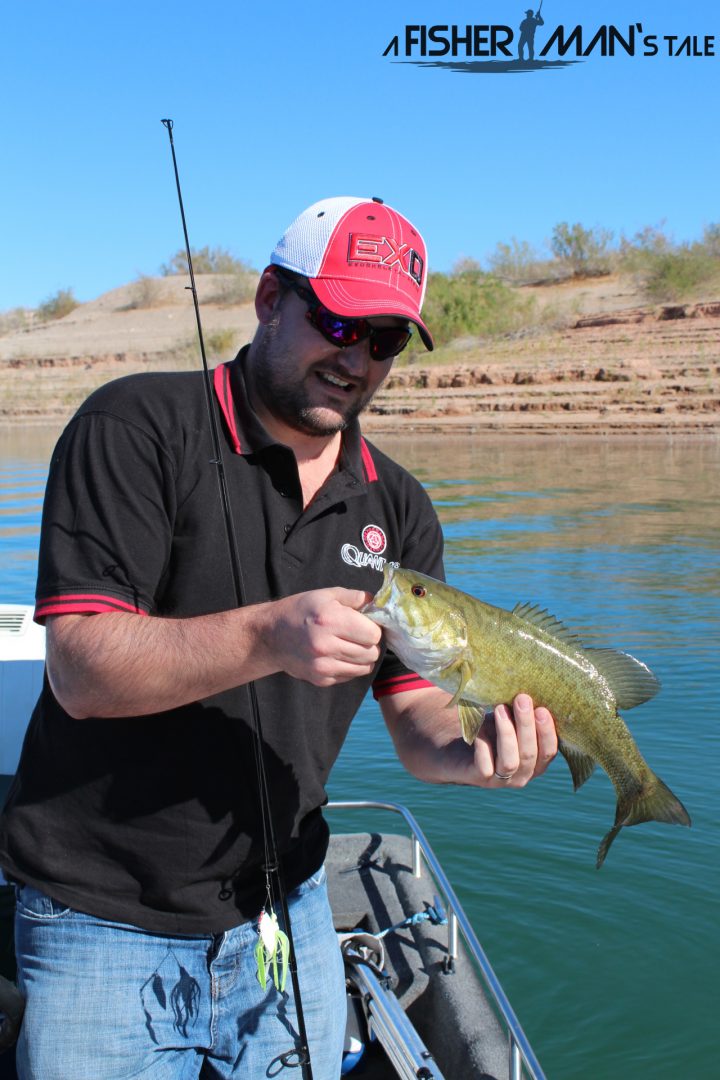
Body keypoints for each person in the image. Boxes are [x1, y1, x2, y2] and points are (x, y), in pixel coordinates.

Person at [0, 195, 557, 1079]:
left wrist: (471, 755)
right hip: (101, 918)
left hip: (285, 908)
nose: (358, 357)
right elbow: (81, 669)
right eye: (339, 320)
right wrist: (271, 633)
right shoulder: (133, 429)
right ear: (268, 298)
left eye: (386, 340)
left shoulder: (399, 507)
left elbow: (417, 714)